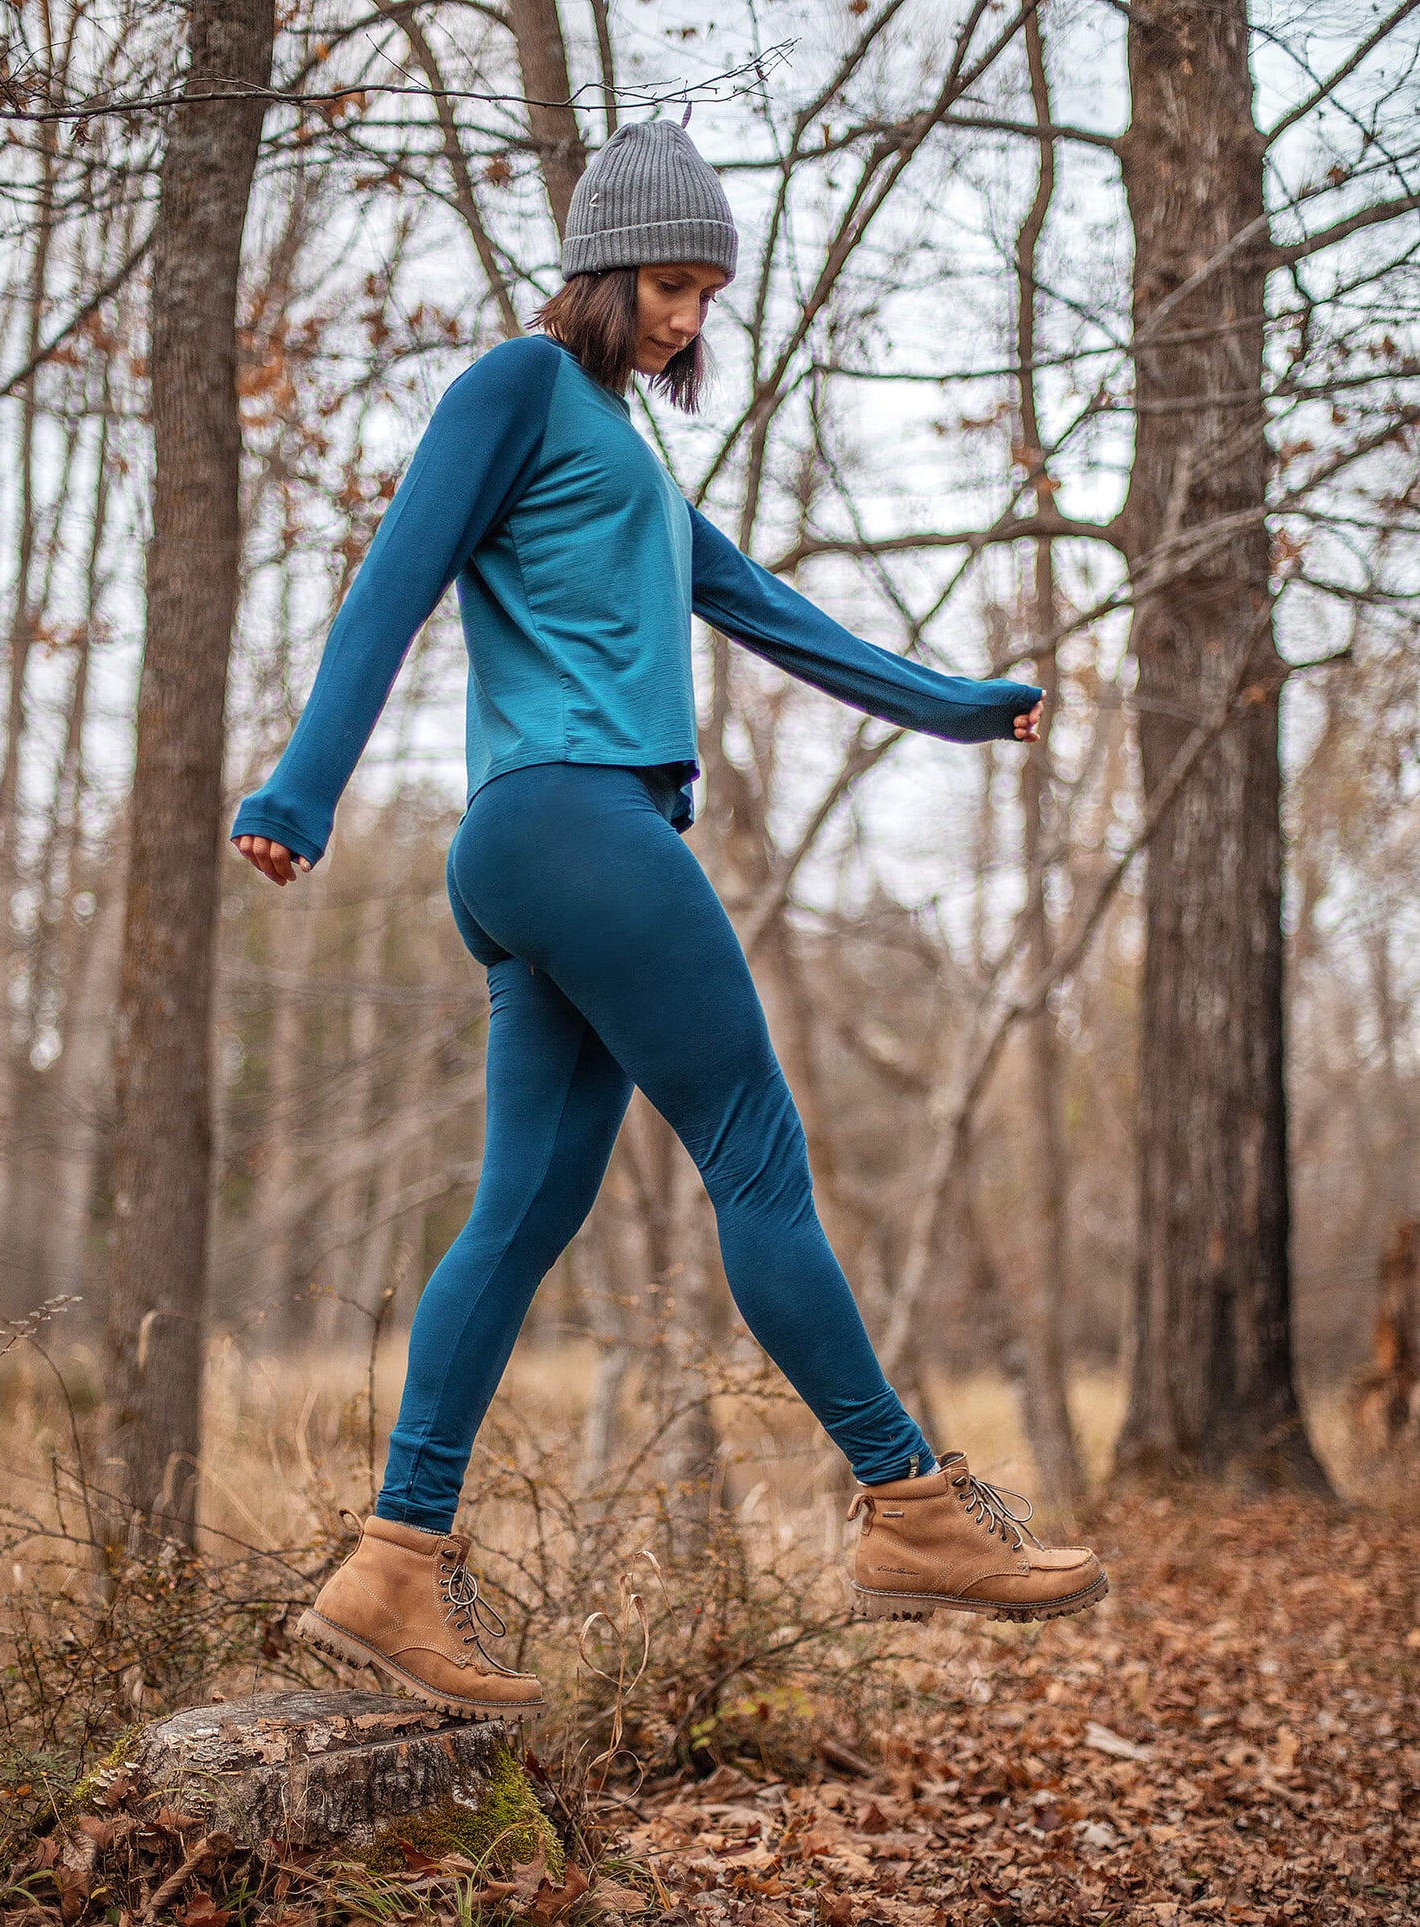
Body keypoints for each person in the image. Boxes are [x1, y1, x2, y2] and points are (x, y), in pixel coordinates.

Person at [233, 121, 1107, 1723]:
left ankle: (391, 1565)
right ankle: (908, 1508)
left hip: (544, 852)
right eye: (665, 284)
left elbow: (766, 609)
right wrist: (301, 788)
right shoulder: (516, 385)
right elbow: (392, 580)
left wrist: (955, 706)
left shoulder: (621, 449)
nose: (687, 317)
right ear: (599, 269)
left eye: (706, 292)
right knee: (755, 1153)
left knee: (520, 1217)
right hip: (575, 823)